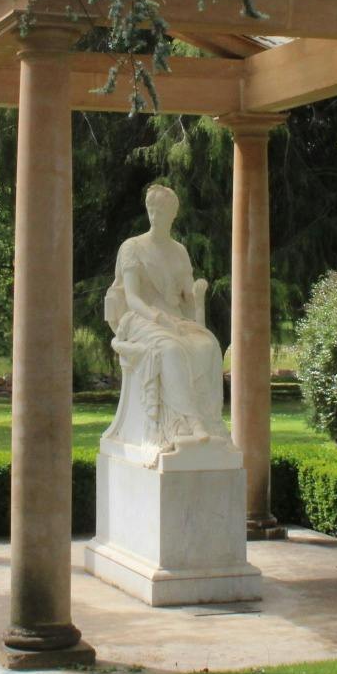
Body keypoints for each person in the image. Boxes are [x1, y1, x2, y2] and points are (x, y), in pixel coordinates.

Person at [101, 183, 232, 464]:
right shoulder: (133, 248)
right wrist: (159, 318)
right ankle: (188, 422)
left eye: (161, 210)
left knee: (208, 345)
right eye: (151, 209)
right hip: (139, 319)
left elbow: (187, 300)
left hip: (175, 318)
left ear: (173, 214)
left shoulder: (179, 251)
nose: (154, 215)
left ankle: (211, 421)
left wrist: (196, 296)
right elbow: (132, 298)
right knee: (170, 350)